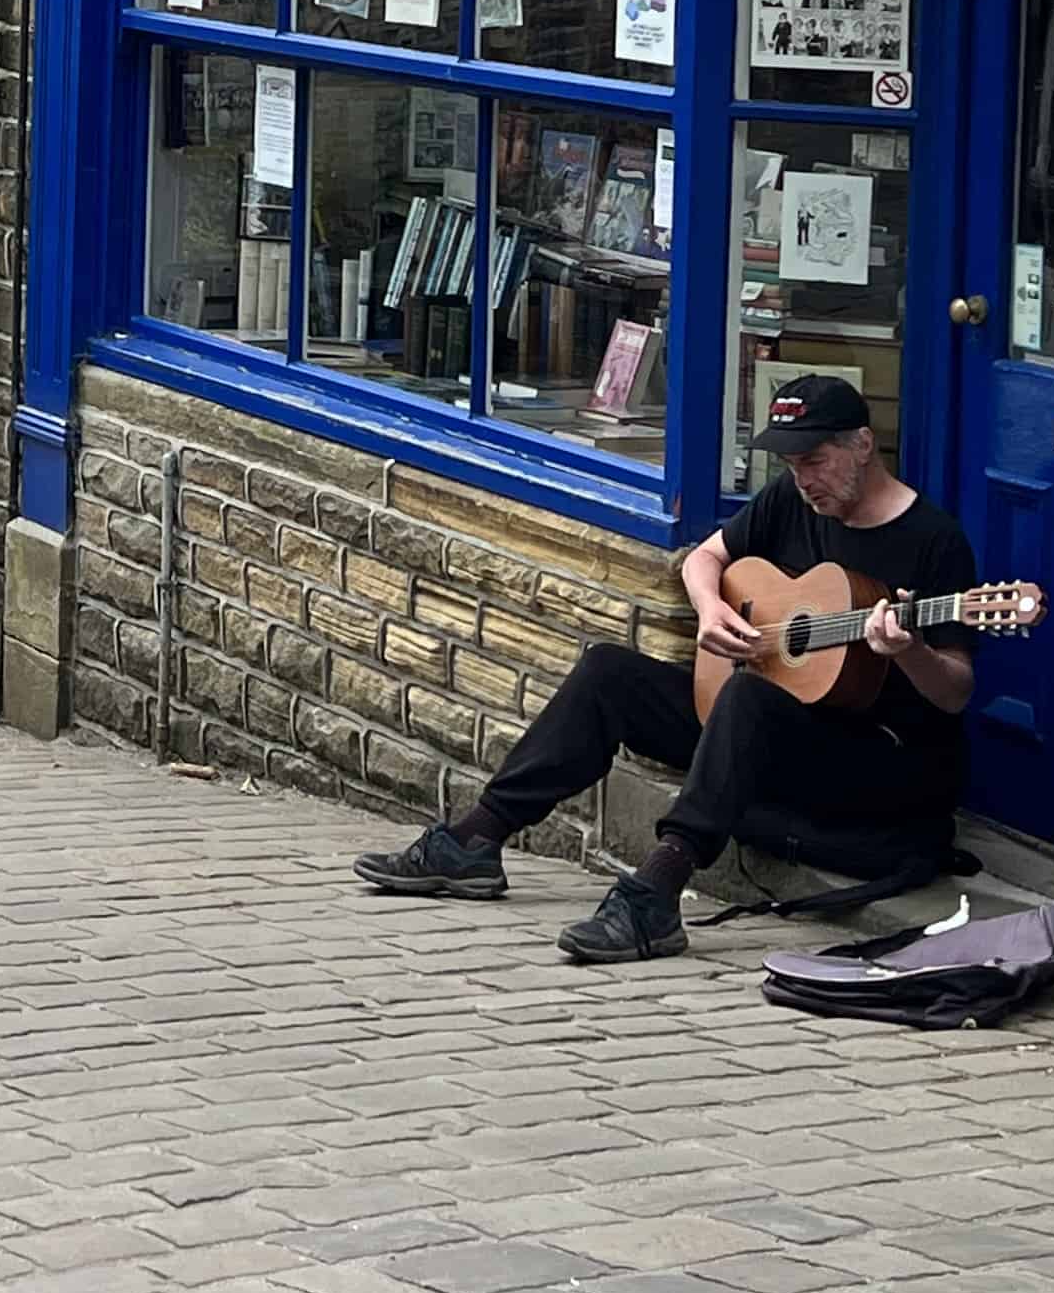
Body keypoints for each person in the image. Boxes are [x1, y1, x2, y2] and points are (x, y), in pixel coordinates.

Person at [351, 376, 980, 962]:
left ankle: (656, 894)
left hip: (869, 764)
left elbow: (954, 692)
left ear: (863, 445)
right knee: (609, 672)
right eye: (790, 465)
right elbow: (704, 558)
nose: (802, 480)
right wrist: (710, 610)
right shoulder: (792, 501)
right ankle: (475, 841)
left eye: (813, 462)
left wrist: (910, 652)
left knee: (748, 700)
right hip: (763, 736)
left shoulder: (933, 541)